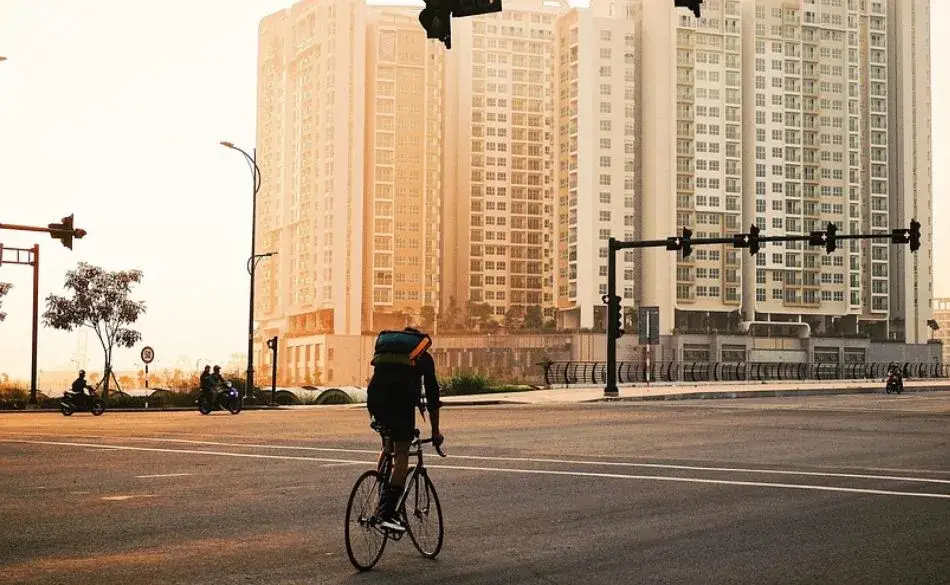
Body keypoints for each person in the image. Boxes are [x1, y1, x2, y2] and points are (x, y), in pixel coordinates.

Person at [366, 326, 444, 532]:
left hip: (375, 401)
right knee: (402, 455)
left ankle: (380, 487)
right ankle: (387, 514)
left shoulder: (387, 353)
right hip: (400, 405)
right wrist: (435, 432)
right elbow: (433, 397)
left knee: (387, 446)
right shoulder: (423, 358)